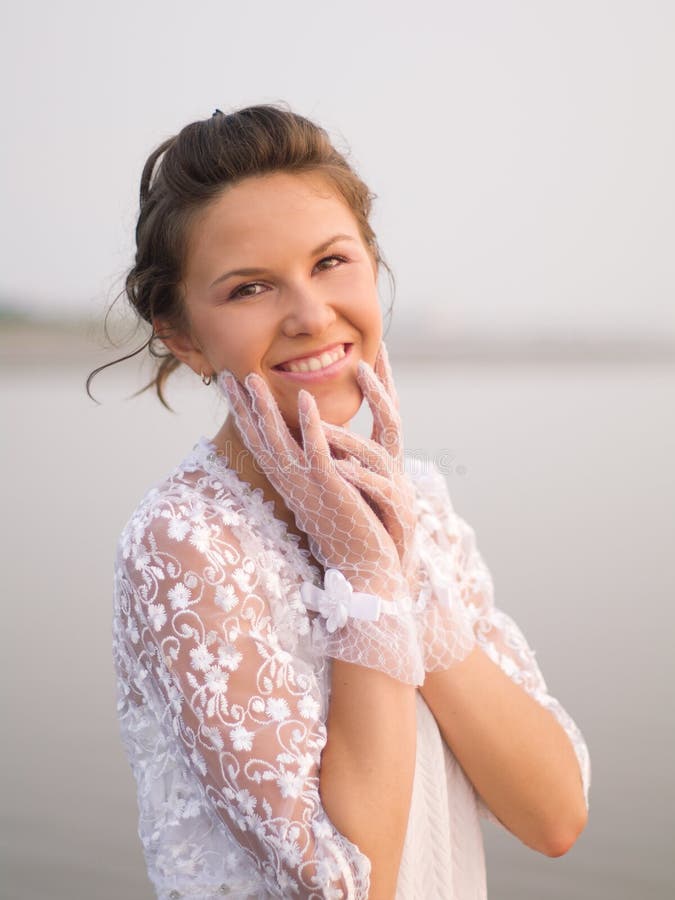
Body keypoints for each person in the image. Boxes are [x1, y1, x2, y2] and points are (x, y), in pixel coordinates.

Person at [92, 105, 591, 899]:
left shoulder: (413, 499)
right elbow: (343, 888)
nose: (310, 315)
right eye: (249, 287)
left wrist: (399, 567)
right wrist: (362, 581)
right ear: (184, 337)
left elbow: (553, 815)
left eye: (331, 263)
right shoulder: (184, 542)